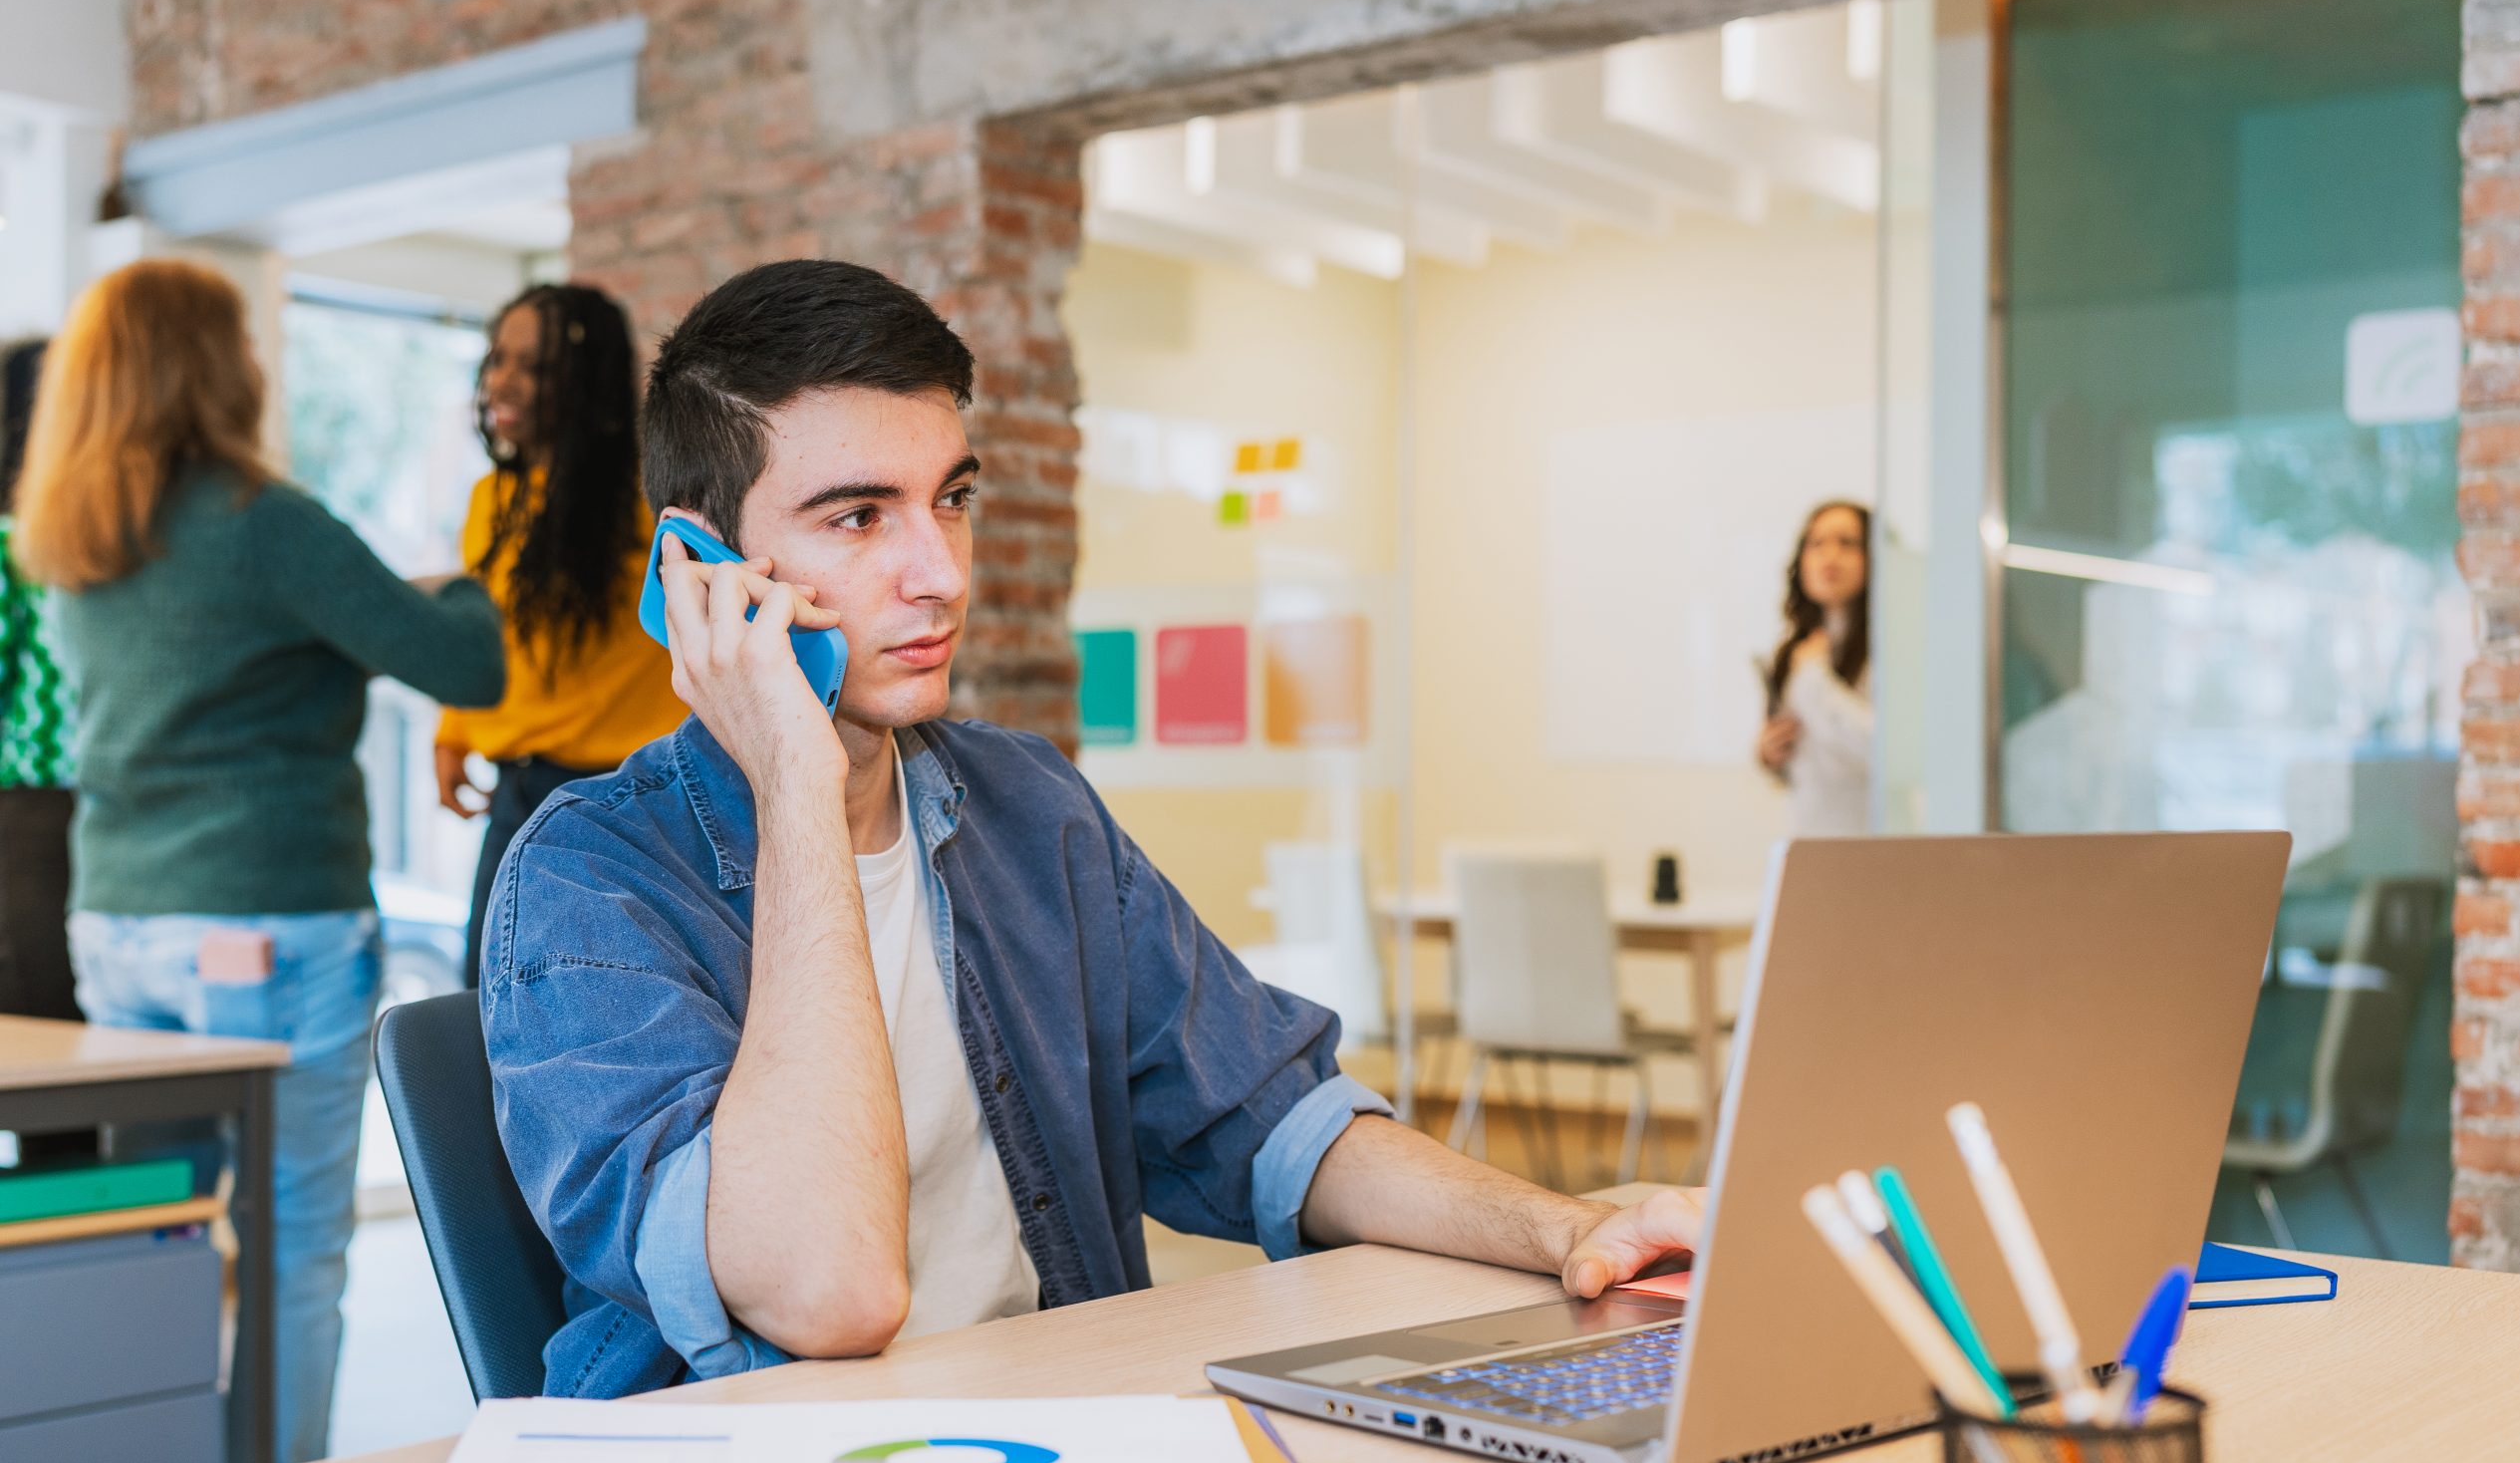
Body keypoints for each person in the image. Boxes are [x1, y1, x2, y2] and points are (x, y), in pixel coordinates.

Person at [484, 259, 1704, 1397]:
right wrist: (798, 785)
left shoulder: (1026, 809)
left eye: (949, 499)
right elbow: (829, 1289)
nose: (941, 573)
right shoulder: (590, 880)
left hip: (1053, 1445)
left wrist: (1569, 1227)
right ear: (699, 571)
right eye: (859, 518)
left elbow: (1275, 1121)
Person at [13, 259, 506, 1463]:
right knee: (292, 1238)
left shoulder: (71, 534)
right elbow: (465, 666)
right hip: (267, 916)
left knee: (163, 1223)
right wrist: (477, 588)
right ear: (214, 365)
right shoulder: (262, 522)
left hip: (118, 918)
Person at [435, 284, 686, 986]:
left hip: (633, 797)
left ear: (584, 381)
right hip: (521, 790)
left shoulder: (648, 497)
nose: (502, 382)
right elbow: (492, 633)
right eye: (497, 359)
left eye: (534, 367)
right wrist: (453, 732)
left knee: (610, 996)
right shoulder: (494, 500)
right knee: (487, 1001)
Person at [0, 340, 79, 1028]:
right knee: (50, 1027)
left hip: (108, 816)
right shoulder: (13, 542)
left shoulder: (97, 535)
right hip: (32, 816)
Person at [1755, 498, 1872, 837]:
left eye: (1847, 543)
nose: (1829, 556)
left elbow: (1884, 752)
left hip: (1872, 842)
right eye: (1816, 543)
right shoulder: (1792, 652)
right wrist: (1768, 752)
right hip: (1806, 836)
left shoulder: (1891, 651)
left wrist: (1814, 677)